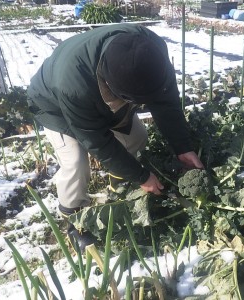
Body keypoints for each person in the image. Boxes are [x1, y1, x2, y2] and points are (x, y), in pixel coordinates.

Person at [27, 23, 204, 250]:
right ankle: (75, 219)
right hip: (53, 104)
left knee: (137, 137)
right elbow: (97, 141)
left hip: (102, 86)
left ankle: (119, 185)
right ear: (113, 88)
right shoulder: (72, 86)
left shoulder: (151, 51)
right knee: (76, 162)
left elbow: (166, 101)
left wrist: (183, 147)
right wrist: (142, 176)